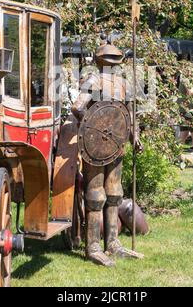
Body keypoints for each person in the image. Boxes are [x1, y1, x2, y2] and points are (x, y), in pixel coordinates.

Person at [72, 42, 144, 267]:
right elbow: (78, 107)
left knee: (114, 193)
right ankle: (93, 246)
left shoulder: (125, 85)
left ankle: (112, 243)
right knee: (95, 195)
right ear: (101, 62)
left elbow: (130, 115)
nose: (111, 65)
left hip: (117, 144)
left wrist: (134, 135)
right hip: (96, 146)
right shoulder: (93, 81)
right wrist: (94, 126)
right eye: (109, 61)